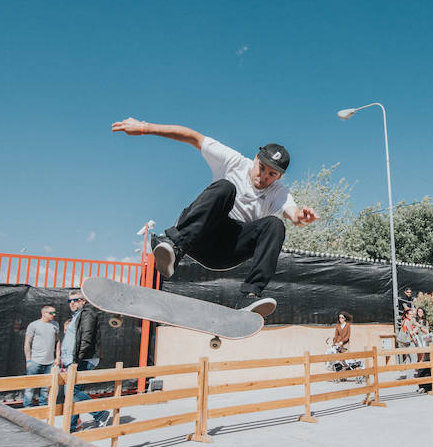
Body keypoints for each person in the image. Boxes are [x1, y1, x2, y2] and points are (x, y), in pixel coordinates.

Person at [111, 118, 319, 314]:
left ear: (280, 176)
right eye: (261, 168)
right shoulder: (234, 162)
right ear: (255, 159)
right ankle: (175, 248)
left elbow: (293, 214)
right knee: (226, 188)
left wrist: (302, 216)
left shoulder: (280, 193)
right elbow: (193, 137)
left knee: (275, 224)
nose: (263, 177)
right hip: (199, 236)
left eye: (271, 175)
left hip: (225, 252)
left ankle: (250, 295)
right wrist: (143, 127)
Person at [61, 291, 110, 430]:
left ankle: (100, 414)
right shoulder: (77, 316)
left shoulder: (87, 313)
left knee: (72, 391)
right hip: (78, 358)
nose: (72, 303)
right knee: (72, 393)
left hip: (84, 358)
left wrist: (77, 359)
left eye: (75, 300)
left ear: (83, 301)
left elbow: (86, 338)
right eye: (69, 301)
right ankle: (72, 426)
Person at [23, 305, 60, 406]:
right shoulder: (33, 325)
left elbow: (58, 341)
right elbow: (27, 343)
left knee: (45, 388)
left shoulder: (55, 325)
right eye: (51, 313)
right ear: (44, 313)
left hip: (50, 363)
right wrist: (28, 360)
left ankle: (43, 409)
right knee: (30, 387)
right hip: (35, 362)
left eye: (54, 313)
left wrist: (57, 357)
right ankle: (27, 410)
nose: (54, 315)